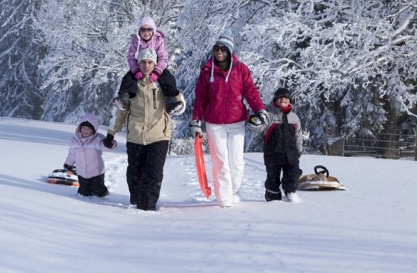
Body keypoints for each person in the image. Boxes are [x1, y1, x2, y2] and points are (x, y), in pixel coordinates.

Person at [189, 29, 266, 208]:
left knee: (237, 163)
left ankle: (231, 192)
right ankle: (223, 201)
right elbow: (200, 98)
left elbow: (251, 92)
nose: (219, 52)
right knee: (221, 163)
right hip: (214, 123)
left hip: (236, 122)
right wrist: (196, 120)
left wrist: (260, 110)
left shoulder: (241, 70)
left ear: (230, 51)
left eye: (223, 49)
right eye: (217, 48)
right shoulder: (207, 71)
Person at [104, 48, 185, 211]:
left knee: (153, 175)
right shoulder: (131, 83)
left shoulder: (163, 82)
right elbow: (121, 111)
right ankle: (136, 200)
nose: (146, 65)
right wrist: (111, 133)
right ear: (138, 63)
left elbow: (179, 103)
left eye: (150, 62)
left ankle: (147, 207)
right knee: (134, 175)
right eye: (143, 62)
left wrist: (179, 104)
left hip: (159, 136)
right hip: (136, 136)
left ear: (155, 63)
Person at [113, 16, 183, 115]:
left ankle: (170, 100)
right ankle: (124, 97)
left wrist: (157, 71)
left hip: (155, 65)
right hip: (139, 66)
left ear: (153, 30)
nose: (146, 32)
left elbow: (163, 57)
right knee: (128, 78)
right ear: (139, 31)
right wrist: (135, 70)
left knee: (168, 78)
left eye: (149, 29)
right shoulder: (135, 41)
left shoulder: (158, 40)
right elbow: (131, 57)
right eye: (143, 29)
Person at [248, 87, 303, 203]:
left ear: (290, 101)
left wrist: (299, 150)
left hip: (291, 155)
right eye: (280, 98)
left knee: (293, 174)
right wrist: (254, 123)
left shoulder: (294, 118)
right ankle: (273, 198)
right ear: (275, 101)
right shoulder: (269, 116)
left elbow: (298, 134)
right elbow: (259, 127)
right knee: (272, 179)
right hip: (273, 155)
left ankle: (290, 193)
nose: (283, 99)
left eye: (286, 98)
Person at [64, 113, 116, 197]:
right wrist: (68, 164)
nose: (85, 130)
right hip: (81, 172)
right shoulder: (75, 141)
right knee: (83, 192)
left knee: (98, 190)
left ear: (94, 129)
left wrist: (110, 144)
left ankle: (104, 195)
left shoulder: (97, 139)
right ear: (80, 128)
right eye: (84, 127)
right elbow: (72, 154)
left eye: (88, 128)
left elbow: (105, 147)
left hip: (96, 172)